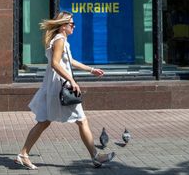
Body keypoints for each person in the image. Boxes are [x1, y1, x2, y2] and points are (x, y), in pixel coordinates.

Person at [14, 11, 116, 169]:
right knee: (81, 120)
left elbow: (70, 61)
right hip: (61, 86)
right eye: (71, 24)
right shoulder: (60, 40)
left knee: (44, 121)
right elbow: (55, 63)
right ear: (63, 26)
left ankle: (23, 154)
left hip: (54, 85)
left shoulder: (60, 40)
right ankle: (96, 157)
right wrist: (71, 80)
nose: (74, 26)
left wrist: (91, 69)